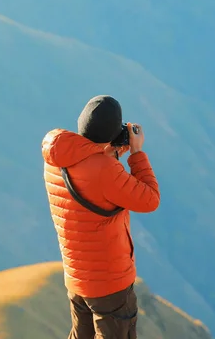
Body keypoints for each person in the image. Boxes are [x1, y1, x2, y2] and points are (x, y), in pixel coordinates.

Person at [41, 95, 161, 339]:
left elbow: (92, 171)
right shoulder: (105, 171)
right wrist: (136, 153)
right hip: (110, 282)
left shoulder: (56, 160)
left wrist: (111, 150)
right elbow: (150, 199)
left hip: (77, 277)